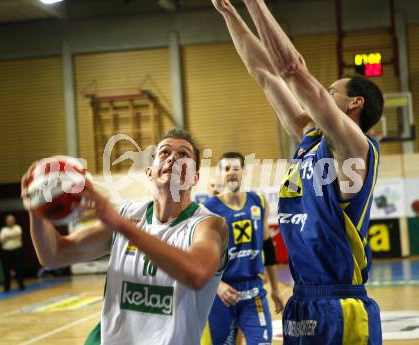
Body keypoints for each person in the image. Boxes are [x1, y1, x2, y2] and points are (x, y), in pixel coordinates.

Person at [211, 1, 383, 344]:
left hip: (339, 301)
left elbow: (291, 68)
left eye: (331, 91)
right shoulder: (309, 139)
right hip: (302, 298)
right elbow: (265, 74)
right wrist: (228, 12)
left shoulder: (354, 146)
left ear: (355, 103)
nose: (321, 93)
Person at [21, 129, 228, 345]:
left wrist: (121, 225)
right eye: (164, 152)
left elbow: (196, 273)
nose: (173, 157)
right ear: (149, 172)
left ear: (195, 177)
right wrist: (36, 209)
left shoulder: (210, 224)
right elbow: (54, 255)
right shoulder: (127, 215)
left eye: (184, 155)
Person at [201, 152, 284, 345]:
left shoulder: (259, 202)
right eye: (226, 169)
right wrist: (217, 285)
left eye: (235, 168)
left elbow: (267, 247)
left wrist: (275, 288)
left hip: (253, 292)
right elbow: (201, 257)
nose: (231, 172)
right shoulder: (208, 209)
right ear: (219, 174)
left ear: (243, 172)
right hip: (222, 295)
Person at [0, 214, 26, 292]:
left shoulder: (17, 227)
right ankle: (7, 287)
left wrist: (7, 237)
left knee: (19, 268)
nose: (10, 222)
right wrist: (11, 236)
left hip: (17, 251)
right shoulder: (3, 230)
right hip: (6, 252)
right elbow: (1, 240)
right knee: (6, 269)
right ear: (6, 222)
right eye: (8, 220)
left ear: (14, 221)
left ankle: (21, 284)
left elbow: (18, 234)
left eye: (11, 220)